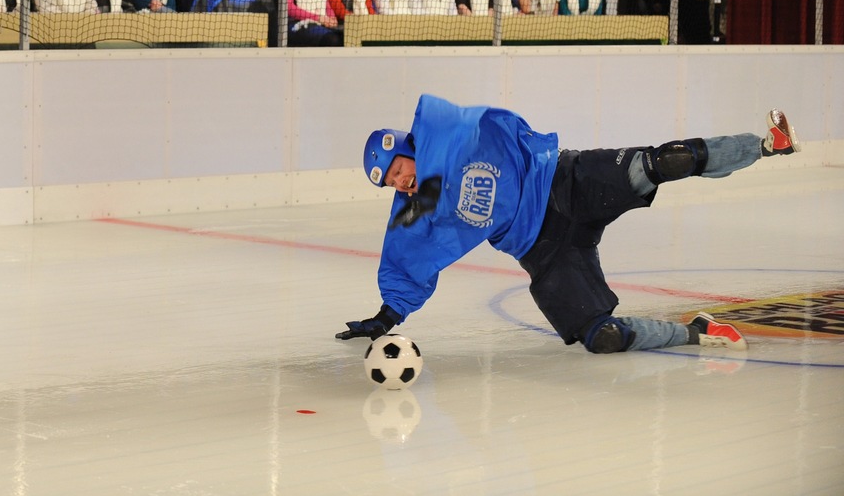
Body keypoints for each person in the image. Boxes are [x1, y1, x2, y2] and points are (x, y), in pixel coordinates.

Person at [337, 95, 803, 357]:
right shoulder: (417, 207)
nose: (404, 181)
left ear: (409, 146)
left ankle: (766, 145)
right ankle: (698, 331)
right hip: (542, 248)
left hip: (563, 181)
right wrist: (386, 317)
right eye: (394, 183)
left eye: (401, 168)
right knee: (601, 337)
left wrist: (436, 170)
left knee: (664, 161)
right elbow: (407, 260)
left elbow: (455, 123)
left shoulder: (446, 134)